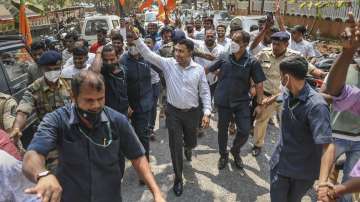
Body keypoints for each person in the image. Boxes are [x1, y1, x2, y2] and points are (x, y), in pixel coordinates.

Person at [21, 70, 165, 202]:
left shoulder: (117, 120)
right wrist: (42, 175)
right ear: (73, 97)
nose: (96, 105)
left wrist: (156, 193)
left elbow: (138, 157)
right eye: (89, 100)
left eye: (100, 98)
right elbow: (32, 154)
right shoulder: (56, 120)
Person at [130, 28, 211, 196]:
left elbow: (204, 91)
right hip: (173, 112)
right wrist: (137, 40)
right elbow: (149, 55)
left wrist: (207, 112)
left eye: (181, 51)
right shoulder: (168, 64)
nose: (177, 54)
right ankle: (178, 178)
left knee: (191, 142)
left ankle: (189, 147)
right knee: (175, 146)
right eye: (176, 50)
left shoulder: (198, 70)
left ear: (190, 53)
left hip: (192, 113)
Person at [270, 55, 335, 202]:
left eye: (281, 76)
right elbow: (281, 96)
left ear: (286, 77)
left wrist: (323, 182)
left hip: (301, 173)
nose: (280, 79)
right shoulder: (288, 91)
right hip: (280, 164)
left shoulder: (316, 106)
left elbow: (328, 146)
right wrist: (269, 100)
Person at [252, 31, 322, 156]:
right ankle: (257, 145)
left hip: (286, 97)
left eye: (278, 44)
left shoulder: (295, 56)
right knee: (260, 121)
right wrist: (252, 87)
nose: (275, 47)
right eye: (273, 44)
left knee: (288, 123)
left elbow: (311, 69)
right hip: (266, 96)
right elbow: (251, 67)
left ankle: (286, 147)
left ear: (286, 44)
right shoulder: (264, 54)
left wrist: (324, 76)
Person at [206, 30, 266, 170]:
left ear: (245, 44)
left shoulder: (252, 61)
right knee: (222, 130)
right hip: (223, 101)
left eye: (237, 41)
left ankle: (235, 150)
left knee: (245, 130)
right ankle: (223, 155)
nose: (233, 43)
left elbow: (259, 84)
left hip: (241, 102)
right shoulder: (224, 57)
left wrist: (259, 104)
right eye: (232, 40)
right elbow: (207, 69)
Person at [319, 15, 360, 202]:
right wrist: (347, 52)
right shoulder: (344, 68)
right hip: (336, 135)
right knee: (324, 181)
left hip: (358, 140)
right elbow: (328, 92)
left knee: (348, 188)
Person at [10, 51, 72, 172]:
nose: (53, 72)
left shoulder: (69, 83)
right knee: (55, 171)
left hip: (70, 133)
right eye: (49, 69)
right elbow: (23, 110)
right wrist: (17, 128)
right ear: (42, 69)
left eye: (56, 68)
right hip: (50, 136)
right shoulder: (34, 88)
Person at [121, 30, 153, 170]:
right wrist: (126, 104)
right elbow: (120, 85)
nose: (131, 42)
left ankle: (144, 166)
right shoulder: (122, 60)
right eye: (129, 39)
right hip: (129, 105)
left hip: (145, 104)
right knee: (132, 135)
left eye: (134, 39)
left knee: (142, 134)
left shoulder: (148, 58)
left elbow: (162, 73)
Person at [144, 35, 161, 141]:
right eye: (145, 42)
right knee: (145, 106)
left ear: (153, 44)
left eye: (149, 43)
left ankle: (151, 128)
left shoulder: (156, 56)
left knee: (153, 106)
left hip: (155, 84)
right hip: (144, 85)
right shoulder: (139, 55)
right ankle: (144, 127)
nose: (146, 45)